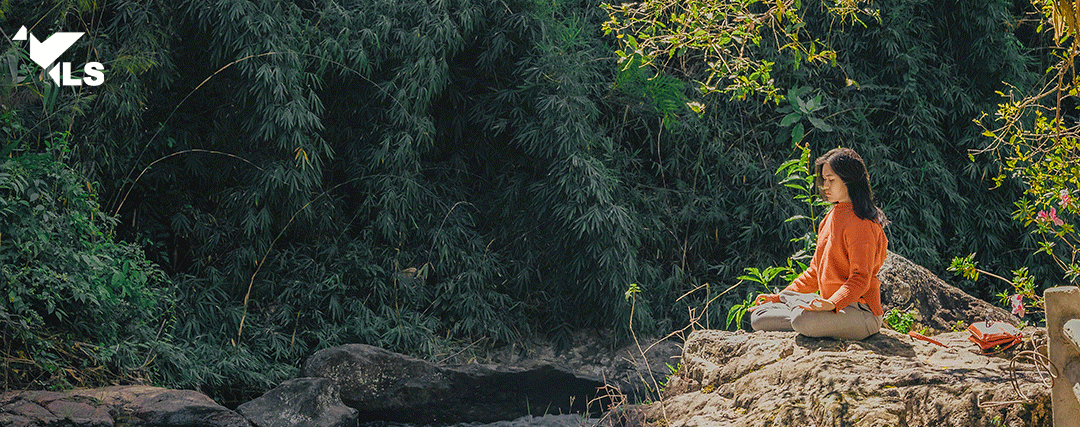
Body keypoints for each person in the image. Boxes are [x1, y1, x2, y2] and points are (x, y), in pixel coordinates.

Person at [749, 147, 889, 340]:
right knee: (759, 317)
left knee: (802, 320)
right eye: (824, 180)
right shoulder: (830, 217)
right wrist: (779, 296)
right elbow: (814, 273)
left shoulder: (861, 224)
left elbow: (860, 278)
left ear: (850, 180)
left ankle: (806, 317)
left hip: (860, 313)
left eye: (831, 180)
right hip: (828, 306)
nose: (825, 186)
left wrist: (832, 303)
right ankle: (803, 313)